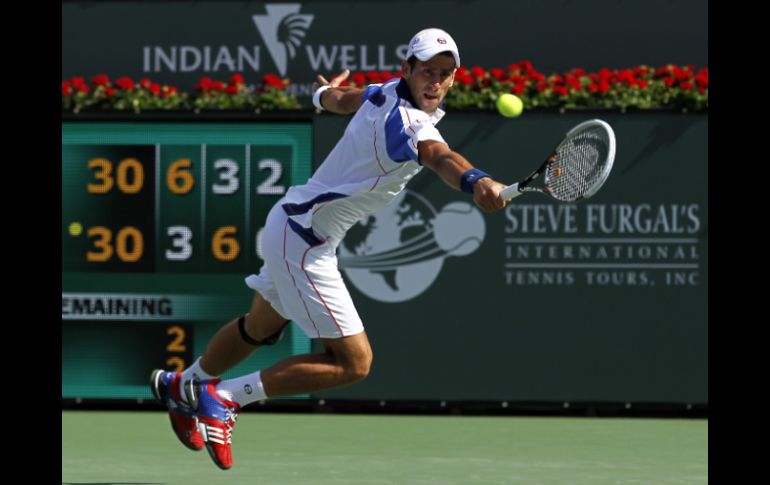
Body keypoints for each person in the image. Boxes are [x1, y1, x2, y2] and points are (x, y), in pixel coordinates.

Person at [150, 27, 508, 470]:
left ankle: (181, 384)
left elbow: (343, 100)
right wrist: (477, 180)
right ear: (408, 70)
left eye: (445, 73)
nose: (436, 81)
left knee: (258, 328)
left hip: (292, 222)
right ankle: (221, 397)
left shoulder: (382, 92)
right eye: (428, 71)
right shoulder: (410, 124)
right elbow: (440, 157)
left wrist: (322, 95)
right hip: (305, 241)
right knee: (354, 363)